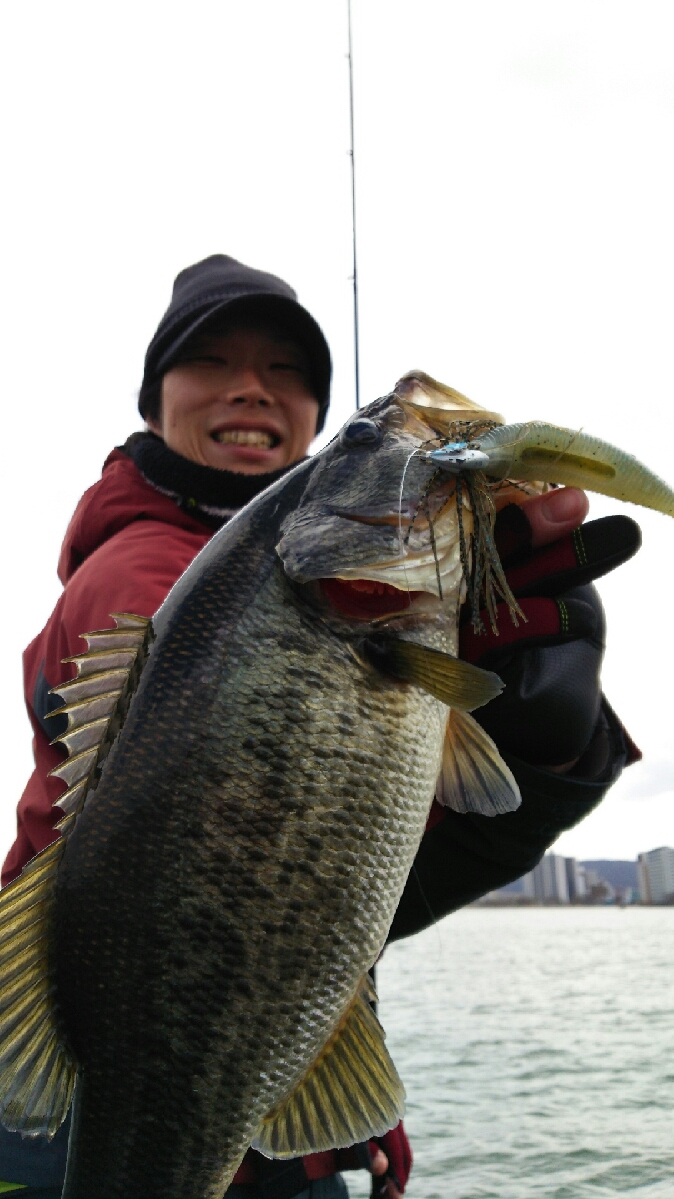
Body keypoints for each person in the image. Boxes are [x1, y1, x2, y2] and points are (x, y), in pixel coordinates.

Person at [0, 255, 639, 1199]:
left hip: (253, 1077)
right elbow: (283, 858)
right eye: (210, 361)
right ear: (153, 402)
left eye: (288, 371)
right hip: (125, 1098)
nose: (252, 387)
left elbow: (354, 872)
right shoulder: (136, 574)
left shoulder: (285, 567)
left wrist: (549, 749)